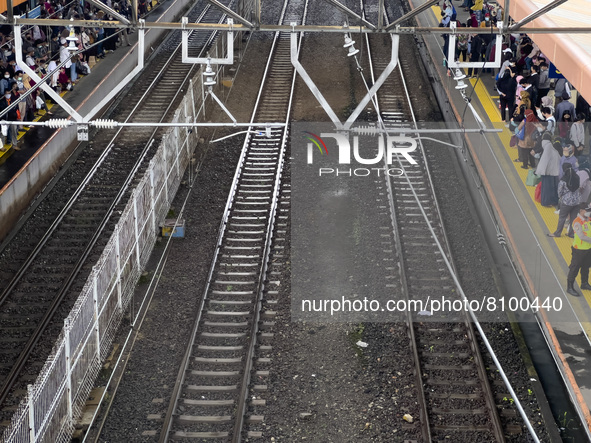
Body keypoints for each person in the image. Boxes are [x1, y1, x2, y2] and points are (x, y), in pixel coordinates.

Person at [549, 164, 581, 238]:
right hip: (577, 202)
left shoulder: (563, 180)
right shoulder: (577, 177)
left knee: (562, 217)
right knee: (573, 218)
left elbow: (559, 191)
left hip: (566, 202)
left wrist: (561, 198)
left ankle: (557, 233)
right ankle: (571, 233)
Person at [566, 204, 591, 296]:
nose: (589, 212)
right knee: (574, 268)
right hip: (578, 250)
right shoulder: (577, 222)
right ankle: (569, 287)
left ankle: (584, 283)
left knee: (586, 267)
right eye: (587, 210)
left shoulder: (588, 219)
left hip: (588, 249)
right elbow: (581, 236)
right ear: (581, 211)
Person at [535, 132, 561, 207]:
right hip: (549, 171)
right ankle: (547, 202)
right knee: (549, 188)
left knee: (546, 187)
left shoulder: (546, 145)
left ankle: (545, 201)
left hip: (546, 171)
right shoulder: (549, 146)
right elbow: (546, 159)